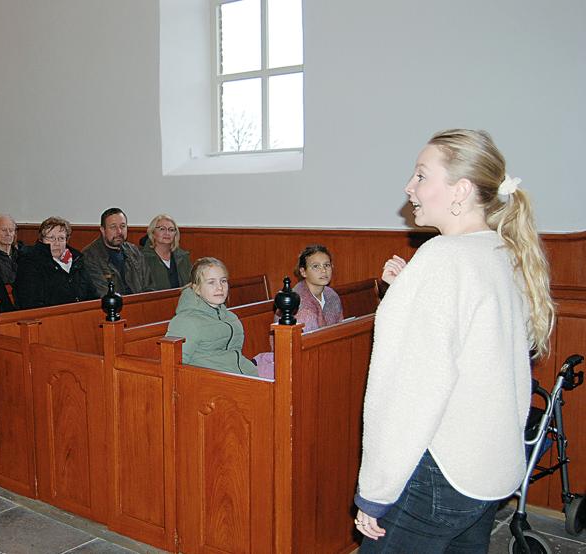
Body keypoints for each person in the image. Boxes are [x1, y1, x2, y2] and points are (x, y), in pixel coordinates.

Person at [354, 129, 556, 552]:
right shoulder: (500, 252)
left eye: (421, 175)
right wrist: (408, 294)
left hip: (437, 470)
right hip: (485, 471)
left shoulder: (442, 258)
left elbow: (407, 393)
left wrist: (376, 491)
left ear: (460, 190)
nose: (409, 187)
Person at [252, 245, 345, 378]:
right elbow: (301, 352)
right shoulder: (298, 304)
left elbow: (340, 329)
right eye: (316, 266)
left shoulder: (332, 296)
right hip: (300, 364)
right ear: (303, 272)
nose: (323, 270)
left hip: (328, 356)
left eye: (327, 265)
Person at [165, 257, 258, 376]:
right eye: (211, 282)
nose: (220, 287)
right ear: (196, 288)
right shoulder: (186, 322)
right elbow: (173, 369)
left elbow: (235, 355)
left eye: (223, 281)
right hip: (215, 385)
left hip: (244, 376)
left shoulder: (231, 317)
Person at [14, 217, 92, 308]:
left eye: (61, 238)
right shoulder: (30, 262)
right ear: (41, 240)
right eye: (51, 238)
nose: (57, 243)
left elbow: (92, 295)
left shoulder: (76, 261)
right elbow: (30, 302)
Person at [82, 207, 150, 296]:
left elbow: (149, 286)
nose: (119, 231)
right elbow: (104, 294)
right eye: (113, 227)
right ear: (103, 230)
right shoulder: (89, 256)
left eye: (122, 226)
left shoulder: (134, 251)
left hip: (140, 306)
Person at [142, 214, 191, 290]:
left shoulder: (183, 257)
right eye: (162, 229)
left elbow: (190, 285)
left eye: (171, 230)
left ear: (175, 234)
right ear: (153, 233)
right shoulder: (142, 258)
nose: (167, 233)